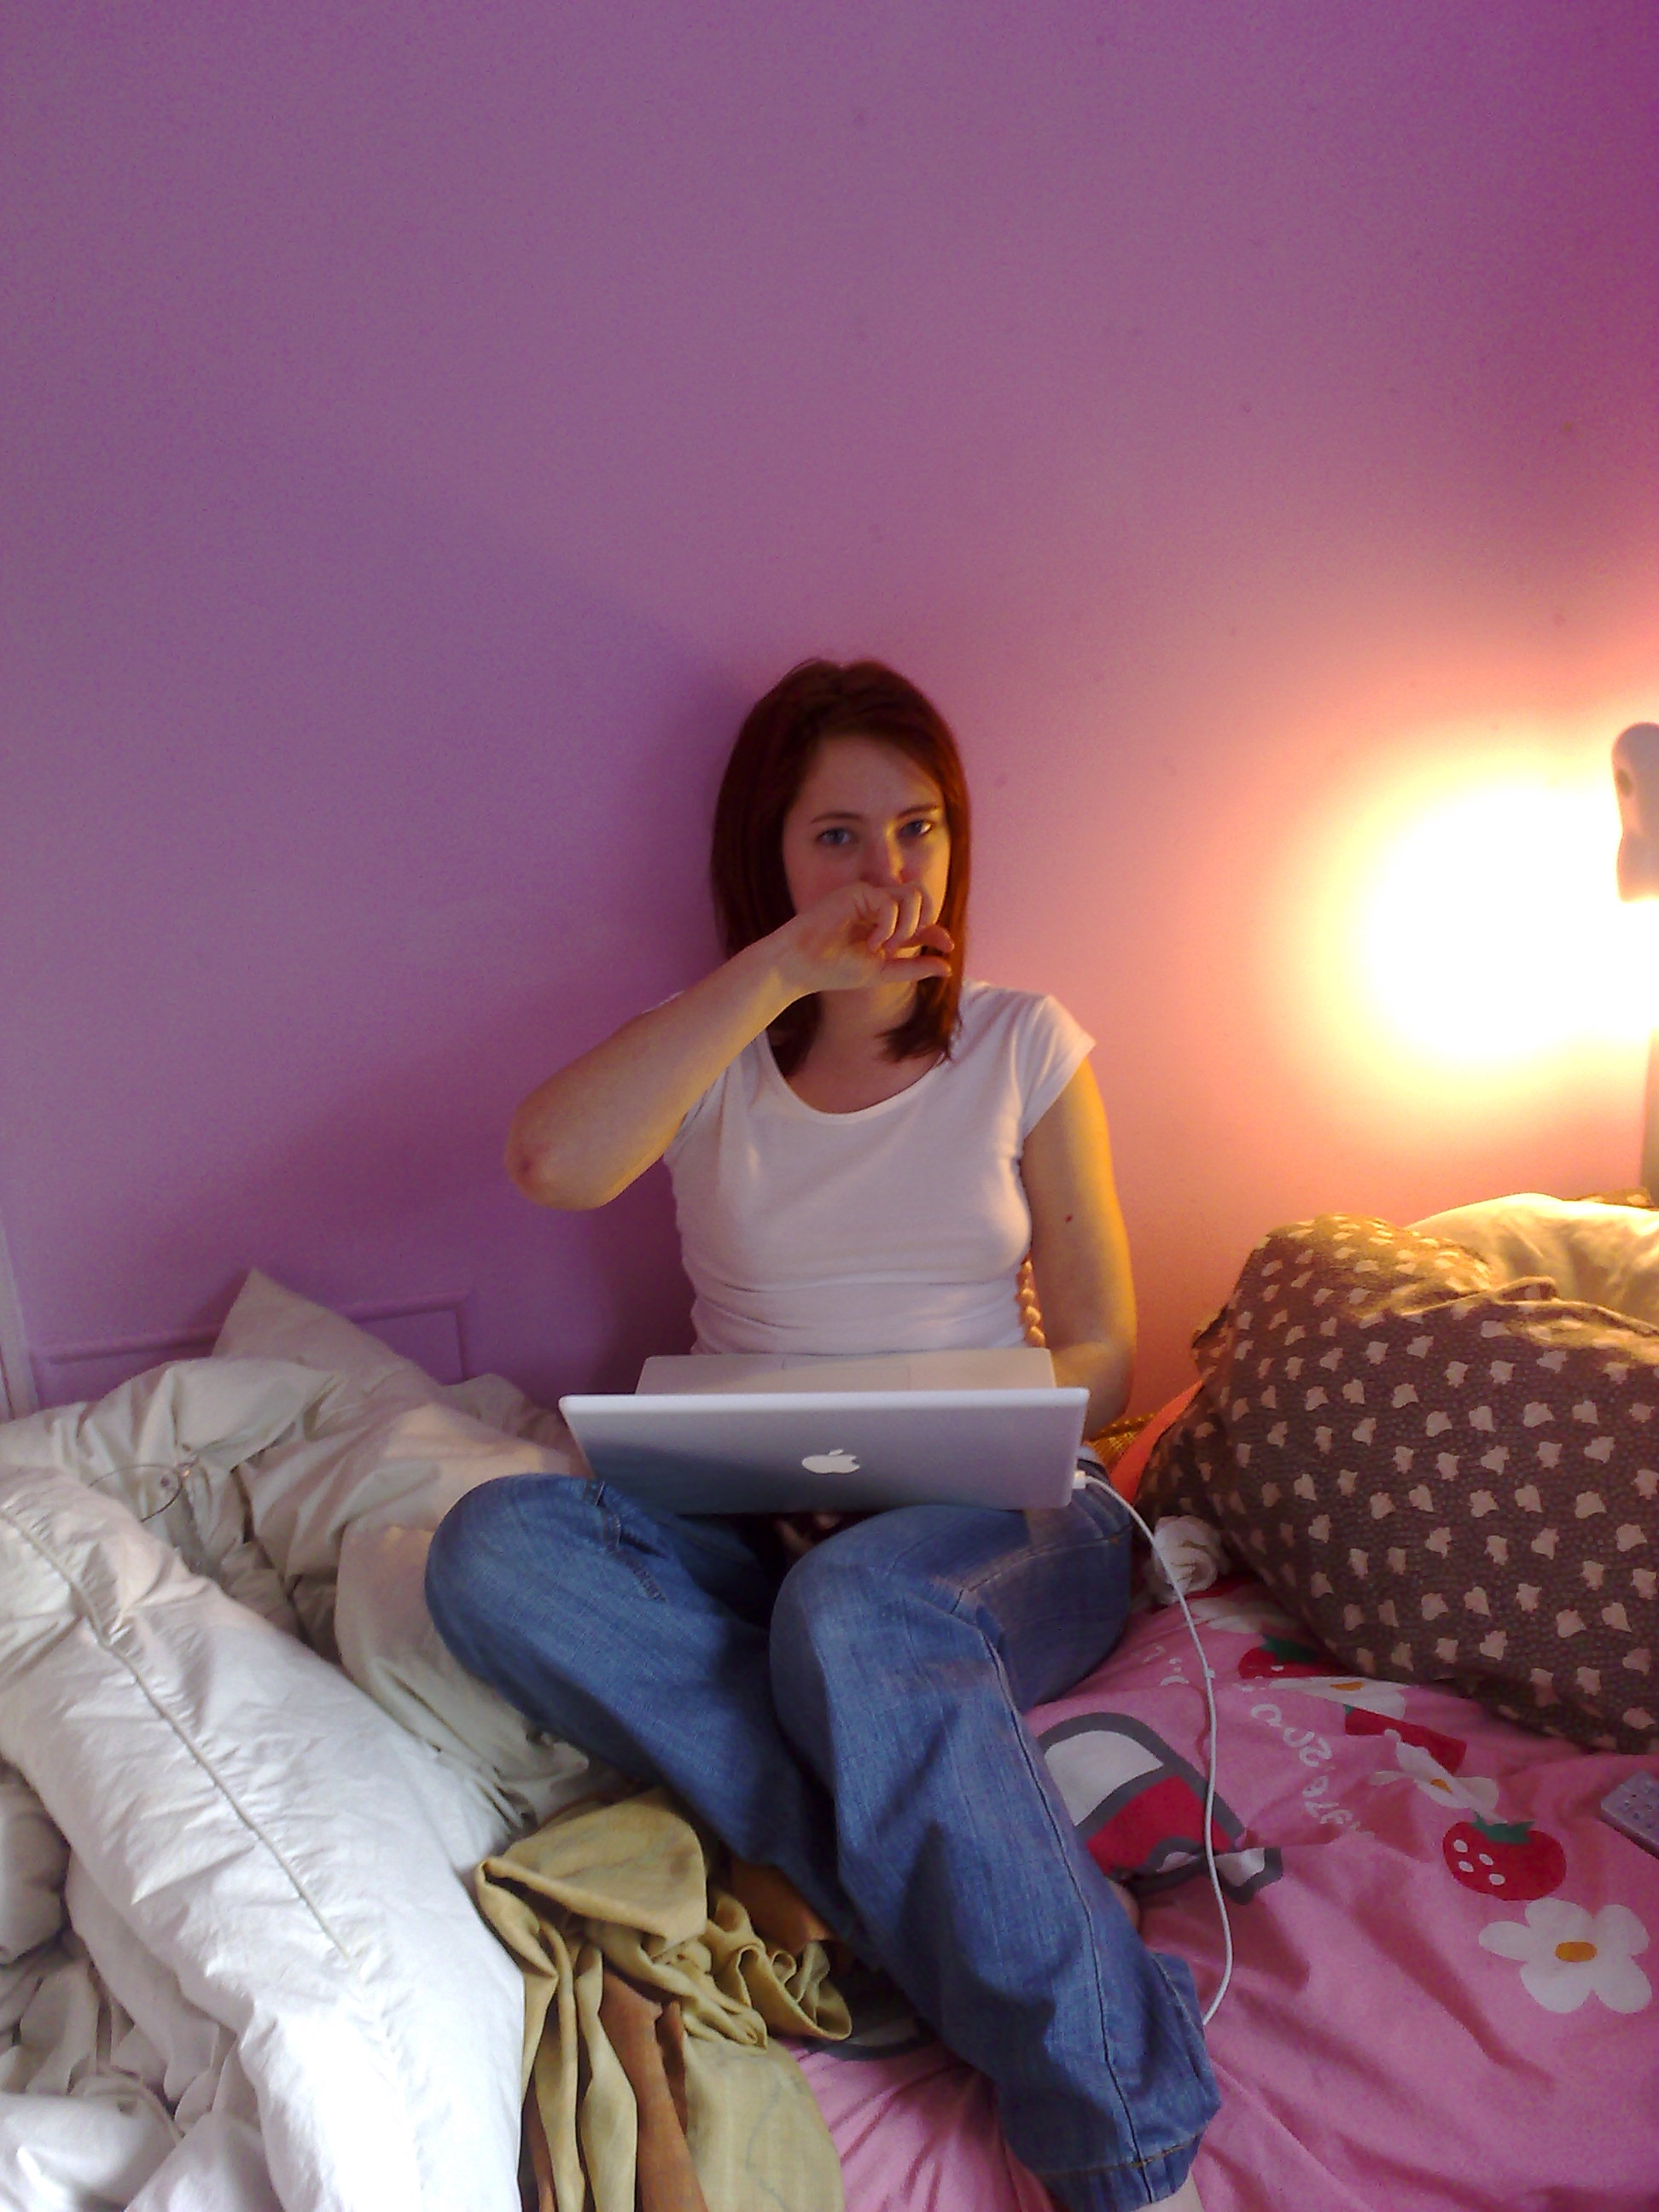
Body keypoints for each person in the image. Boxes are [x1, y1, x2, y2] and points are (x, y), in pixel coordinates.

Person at [425, 660, 1218, 2210]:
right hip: (755, 1515)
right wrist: (779, 973)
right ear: (770, 862)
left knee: (862, 1608)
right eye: (838, 837)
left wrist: (911, 1457)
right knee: (489, 1551)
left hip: (998, 1511)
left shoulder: (1019, 1041)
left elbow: (1113, 1343)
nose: (890, 873)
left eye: (916, 830)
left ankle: (1125, 2134)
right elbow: (548, 1159)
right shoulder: (715, 1050)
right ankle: (892, 1904)